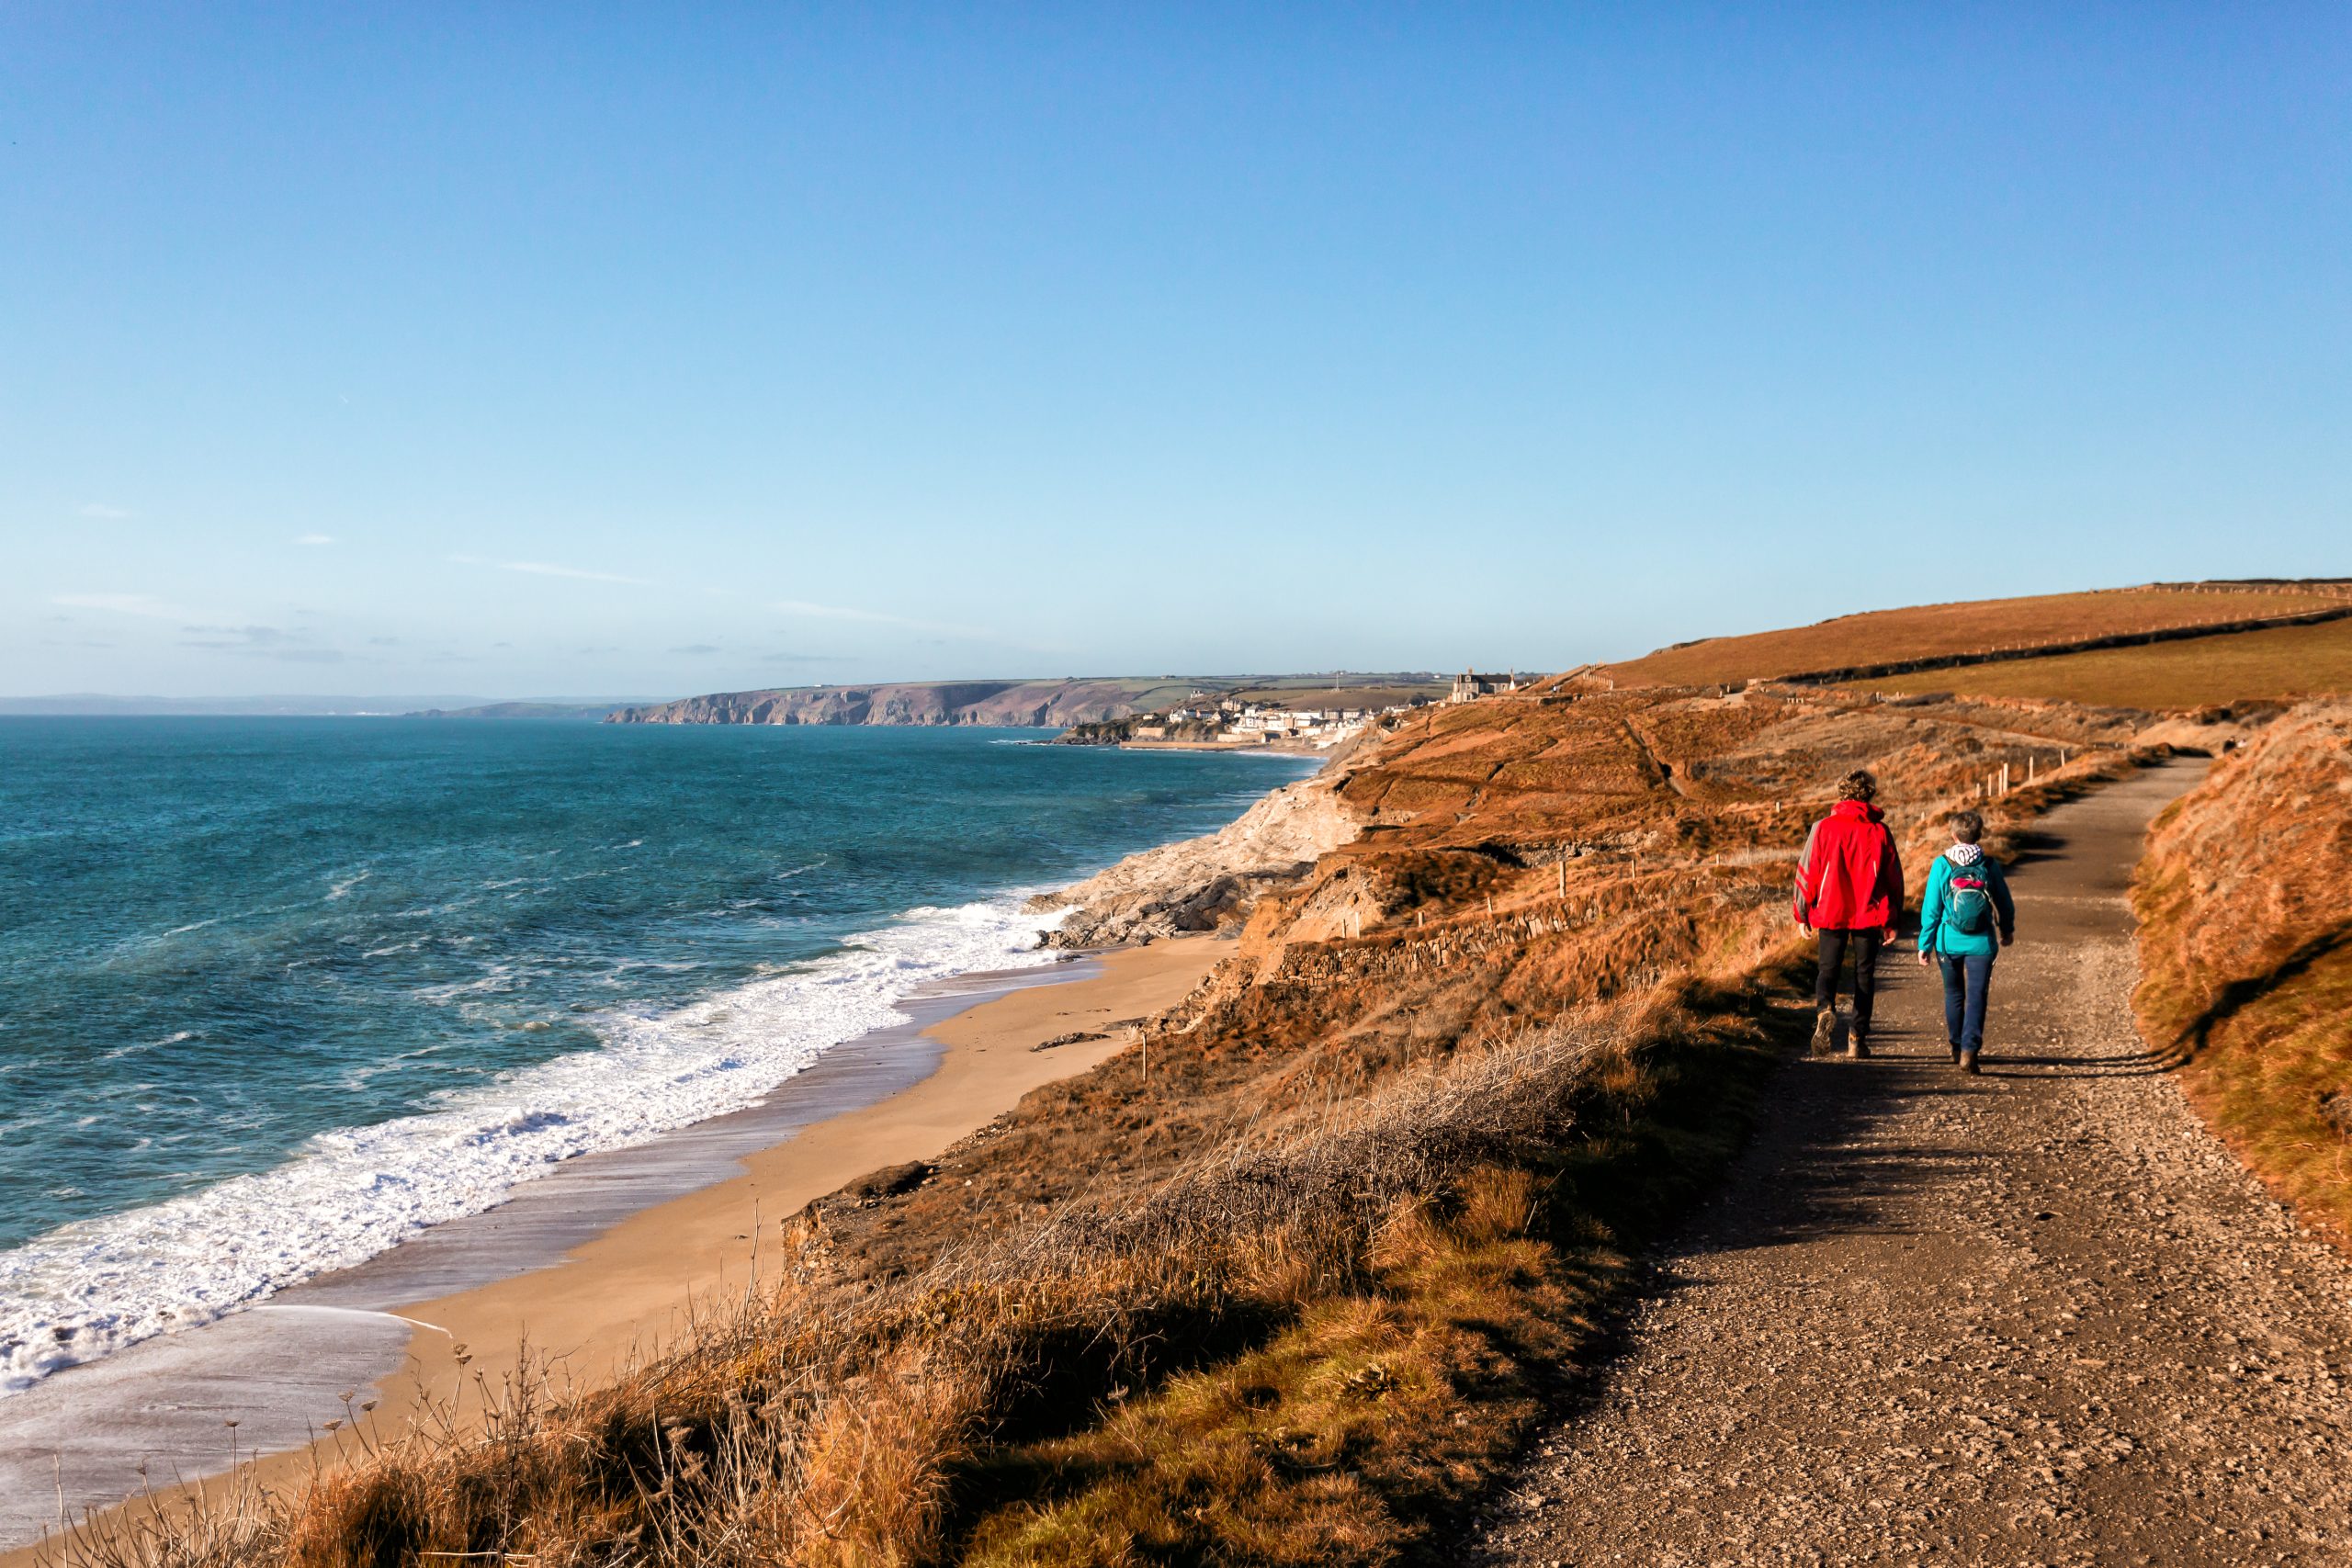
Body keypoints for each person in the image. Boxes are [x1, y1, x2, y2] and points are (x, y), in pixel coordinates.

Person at [1793, 770, 1905, 1057]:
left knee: (1828, 969)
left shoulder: (1823, 828)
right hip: (1869, 913)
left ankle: (1824, 1009)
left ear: (1842, 792)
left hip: (1831, 909)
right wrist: (1892, 920)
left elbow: (1808, 871)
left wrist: (1802, 912)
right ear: (1869, 794)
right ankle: (1857, 1038)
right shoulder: (1880, 831)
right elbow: (1894, 878)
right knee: (1864, 974)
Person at [1917, 809, 2015, 1074]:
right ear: (1979, 834)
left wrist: (1925, 945)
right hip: (1982, 943)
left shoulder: (1942, 864)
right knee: (1977, 996)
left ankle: (1956, 1046)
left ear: (1953, 835)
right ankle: (1970, 1051)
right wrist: (2006, 930)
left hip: (1948, 942)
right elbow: (2004, 902)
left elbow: (1932, 909)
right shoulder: (1989, 865)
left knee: (1954, 994)